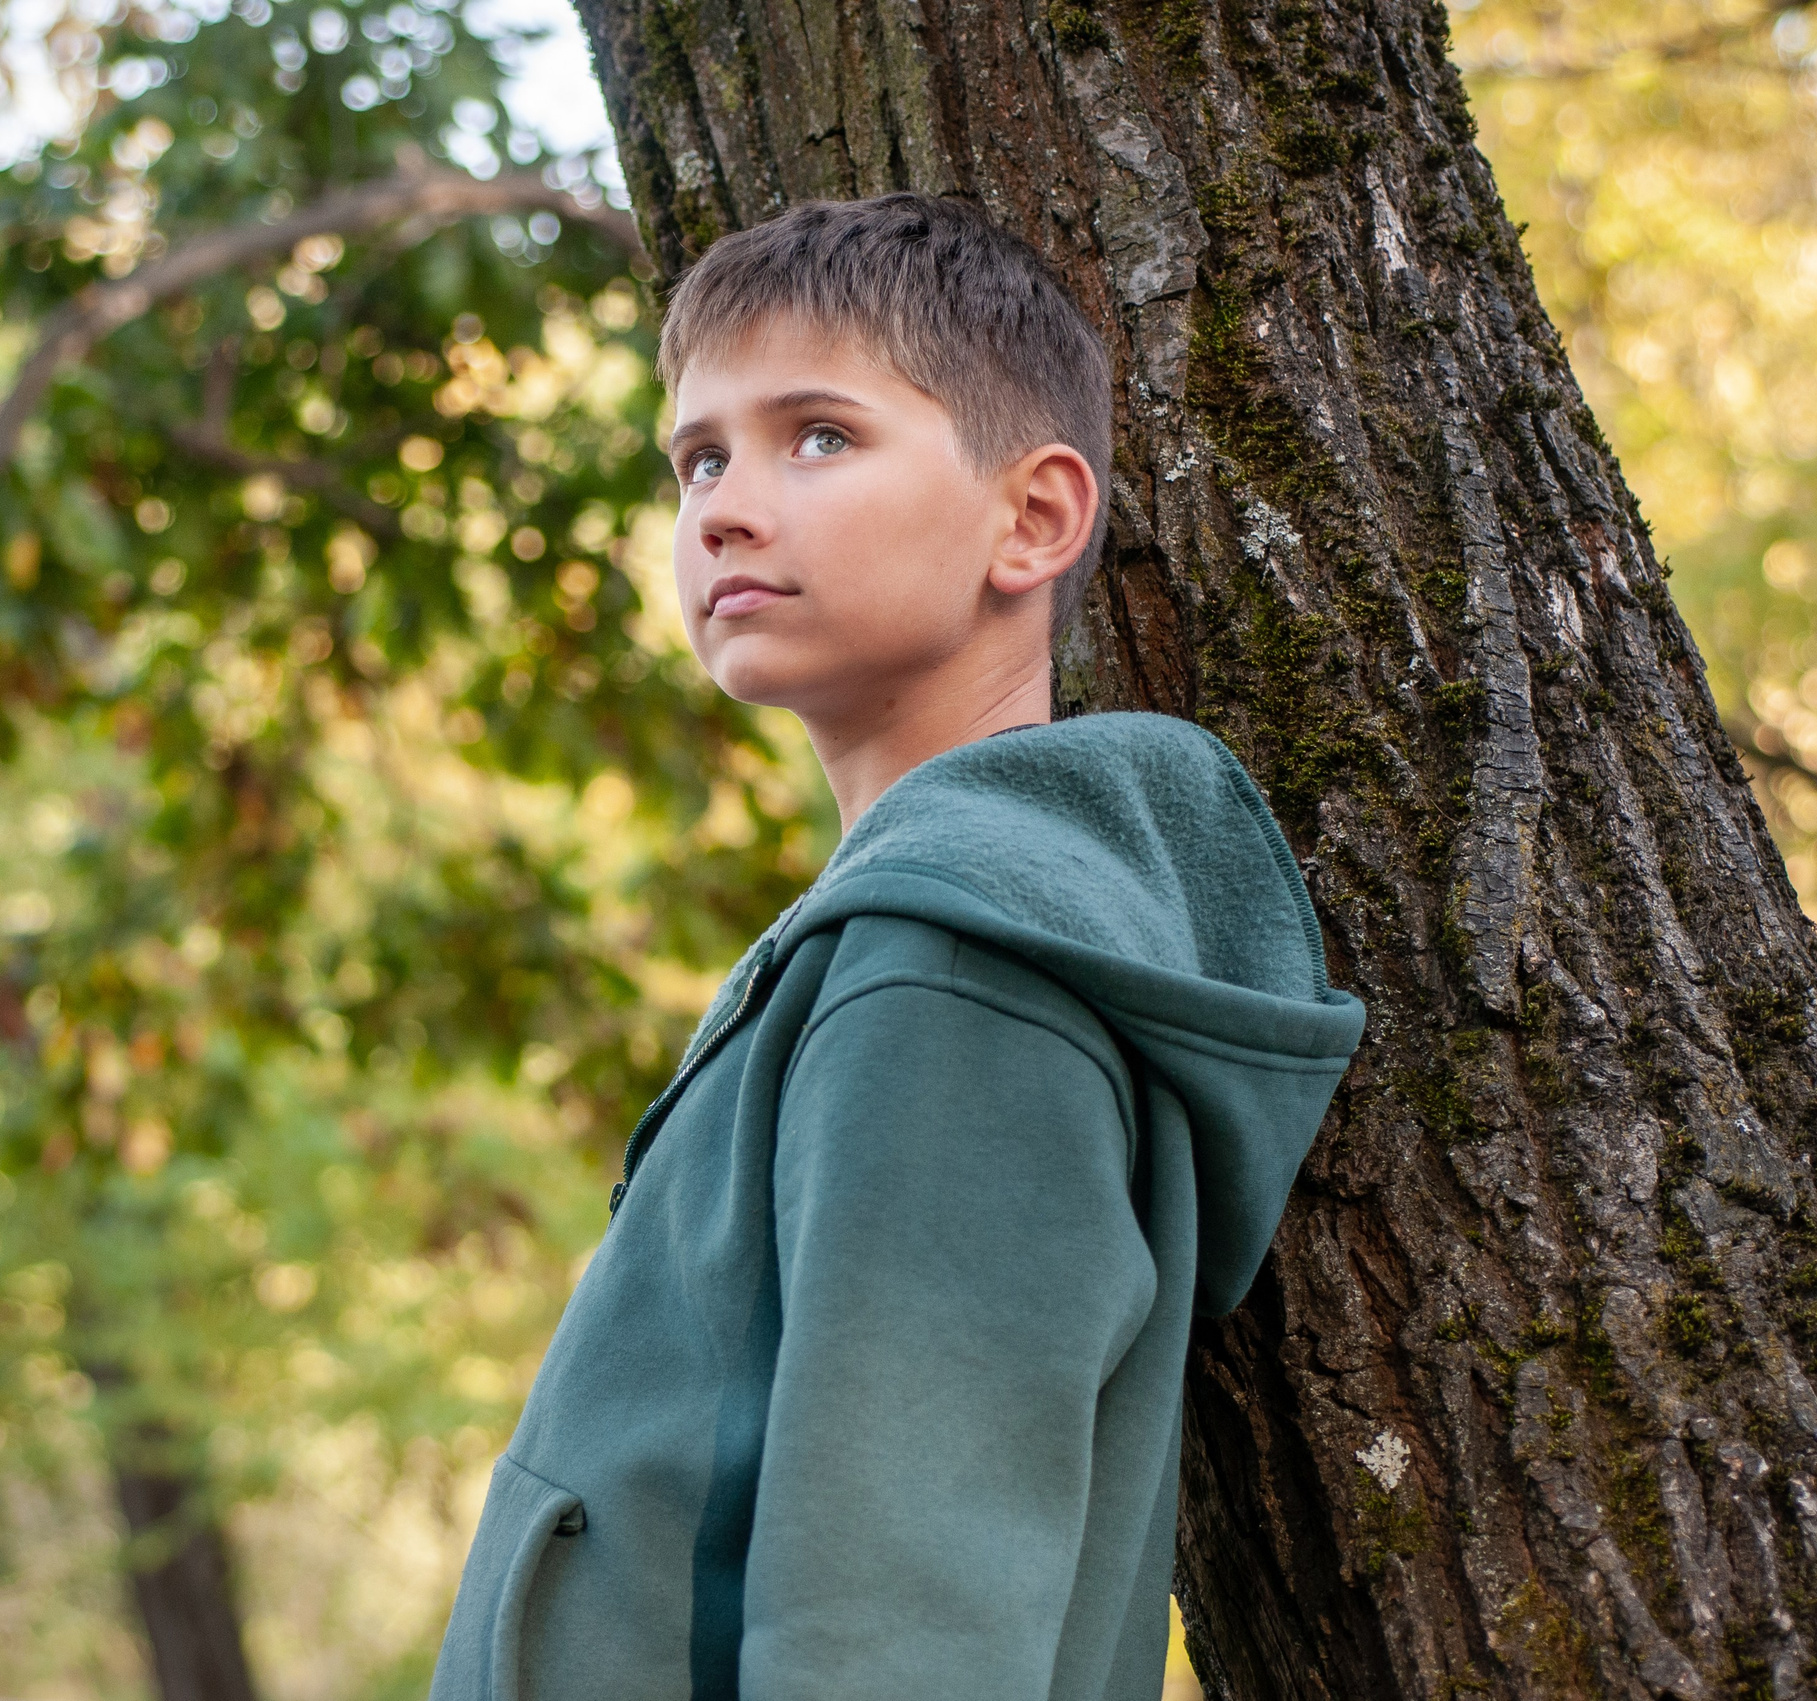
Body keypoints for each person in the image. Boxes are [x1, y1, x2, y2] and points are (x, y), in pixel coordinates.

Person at [429, 193, 1368, 1700]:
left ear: (1035, 519)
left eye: (819, 436)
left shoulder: (956, 974)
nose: (725, 506)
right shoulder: (918, 939)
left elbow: (902, 1620)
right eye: (699, 458)